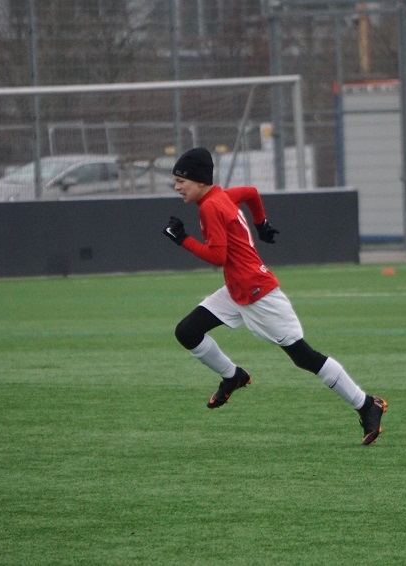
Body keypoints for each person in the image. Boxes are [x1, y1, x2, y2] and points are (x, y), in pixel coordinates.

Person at [163, 147, 387, 445]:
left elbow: (218, 256)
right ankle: (233, 376)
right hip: (238, 289)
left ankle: (367, 404)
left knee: (304, 357)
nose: (177, 186)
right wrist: (261, 224)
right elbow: (251, 193)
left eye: (181, 181)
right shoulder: (222, 197)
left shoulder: (210, 206)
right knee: (188, 331)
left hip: (258, 293)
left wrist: (182, 239)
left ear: (200, 180)